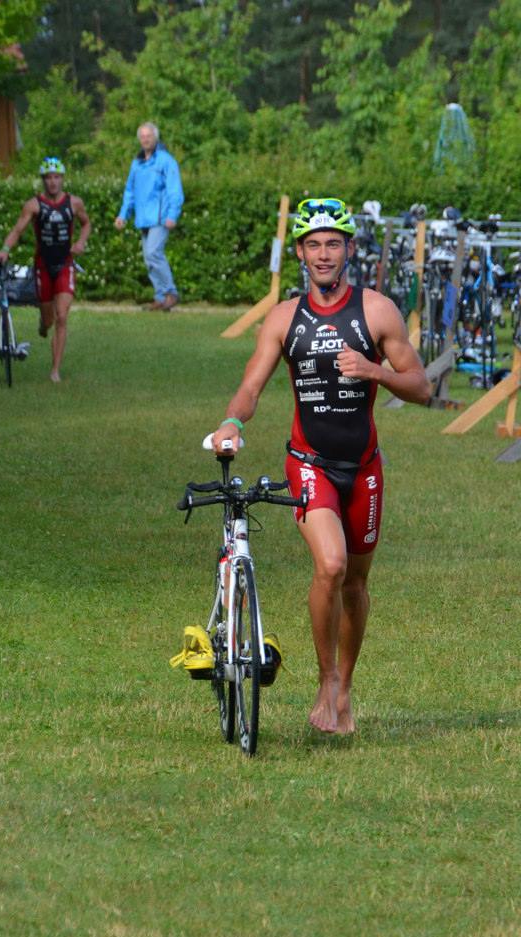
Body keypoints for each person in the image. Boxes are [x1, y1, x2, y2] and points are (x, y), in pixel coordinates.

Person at [211, 197, 431, 735]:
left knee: (355, 585)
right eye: (314, 244)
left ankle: (347, 688)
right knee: (329, 566)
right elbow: (251, 385)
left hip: (365, 468)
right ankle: (327, 680)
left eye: (334, 243)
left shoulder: (377, 311)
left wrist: (374, 371)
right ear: (302, 254)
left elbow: (423, 388)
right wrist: (233, 424)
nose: (324, 253)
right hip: (308, 463)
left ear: (349, 250)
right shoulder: (285, 319)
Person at [0, 157, 91, 382]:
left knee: (62, 316)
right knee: (48, 319)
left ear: (63, 179)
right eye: (48, 178)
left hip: (65, 264)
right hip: (43, 267)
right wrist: (5, 249)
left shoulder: (74, 203)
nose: (53, 182)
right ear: (43, 180)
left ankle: (55, 370)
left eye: (56, 177)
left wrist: (81, 242)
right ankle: (43, 323)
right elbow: (18, 230)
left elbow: (86, 223)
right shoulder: (34, 205)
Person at [114, 122, 184, 311]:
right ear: (139, 139)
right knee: (148, 259)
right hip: (143, 219)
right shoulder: (137, 164)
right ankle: (161, 298)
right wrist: (123, 215)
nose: (145, 139)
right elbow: (130, 191)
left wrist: (172, 215)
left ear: (156, 138)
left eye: (149, 136)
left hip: (160, 218)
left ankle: (171, 293)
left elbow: (174, 190)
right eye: (143, 136)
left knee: (154, 253)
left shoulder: (166, 161)